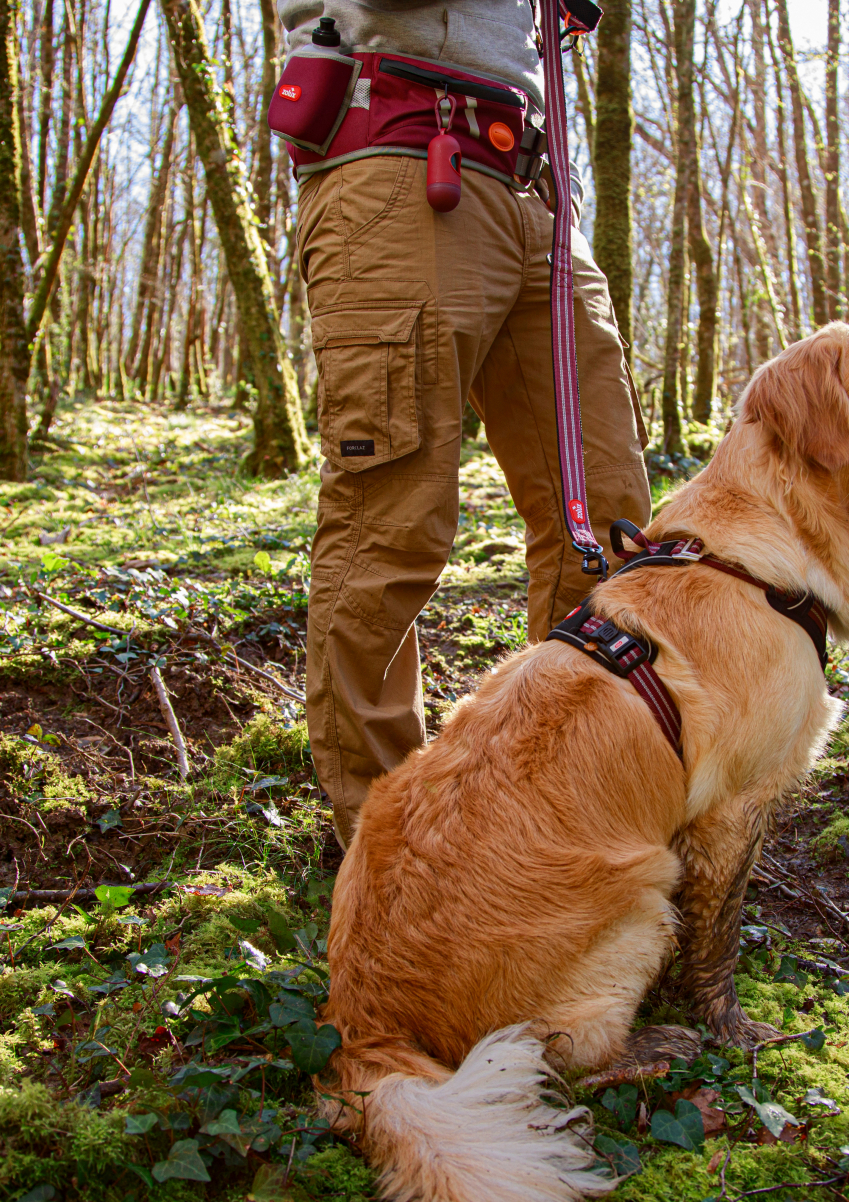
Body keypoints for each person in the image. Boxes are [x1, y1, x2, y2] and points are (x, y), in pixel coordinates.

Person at [276, 0, 651, 847]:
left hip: (534, 187)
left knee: (605, 510)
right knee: (392, 522)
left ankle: (559, 800)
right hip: (401, 161)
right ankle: (386, 849)